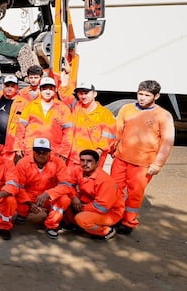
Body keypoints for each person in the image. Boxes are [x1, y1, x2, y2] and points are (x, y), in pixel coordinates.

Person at [110, 80, 175, 234]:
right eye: (140, 94)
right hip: (120, 159)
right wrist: (113, 148)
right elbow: (117, 130)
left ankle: (128, 222)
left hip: (143, 164)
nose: (142, 98)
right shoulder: (126, 109)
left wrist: (157, 165)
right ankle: (115, 217)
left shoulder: (163, 115)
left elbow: (167, 142)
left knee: (135, 194)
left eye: (147, 95)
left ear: (156, 96)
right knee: (114, 190)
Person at [37, 149, 123, 240]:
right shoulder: (78, 170)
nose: (85, 163)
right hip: (87, 203)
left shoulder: (105, 181)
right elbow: (68, 185)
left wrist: (81, 208)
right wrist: (74, 197)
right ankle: (73, 224)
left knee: (81, 219)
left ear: (97, 163)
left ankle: (106, 231)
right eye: (82, 160)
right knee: (64, 198)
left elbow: (101, 207)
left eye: (89, 161)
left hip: (109, 213)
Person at [15, 77, 72, 163]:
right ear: (40, 89)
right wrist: (18, 146)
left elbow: (68, 133)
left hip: (53, 153)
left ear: (55, 89)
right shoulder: (30, 106)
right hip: (31, 151)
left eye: (51, 89)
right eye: (44, 89)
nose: (48, 91)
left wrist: (64, 153)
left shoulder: (63, 108)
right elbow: (20, 128)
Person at [13, 138, 67, 226]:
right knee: (13, 195)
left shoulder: (58, 163)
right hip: (28, 197)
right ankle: (22, 214)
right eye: (38, 152)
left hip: (49, 197)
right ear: (33, 151)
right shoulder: (23, 163)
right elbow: (19, 186)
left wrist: (48, 194)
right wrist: (29, 203)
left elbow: (66, 185)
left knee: (64, 199)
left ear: (50, 152)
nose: (41, 155)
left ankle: (52, 224)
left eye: (45, 152)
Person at [67, 82, 116, 166]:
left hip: (93, 159)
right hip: (75, 158)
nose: (83, 96)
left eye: (86, 93)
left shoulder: (105, 114)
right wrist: (67, 76)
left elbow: (108, 137)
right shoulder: (76, 107)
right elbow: (64, 93)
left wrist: (97, 153)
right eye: (80, 93)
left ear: (95, 94)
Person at [0, 74, 28, 164]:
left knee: (8, 169)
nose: (10, 88)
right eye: (7, 86)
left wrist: (19, 145)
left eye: (12, 86)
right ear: (3, 86)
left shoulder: (23, 103)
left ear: (17, 87)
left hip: (10, 145)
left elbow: (25, 127)